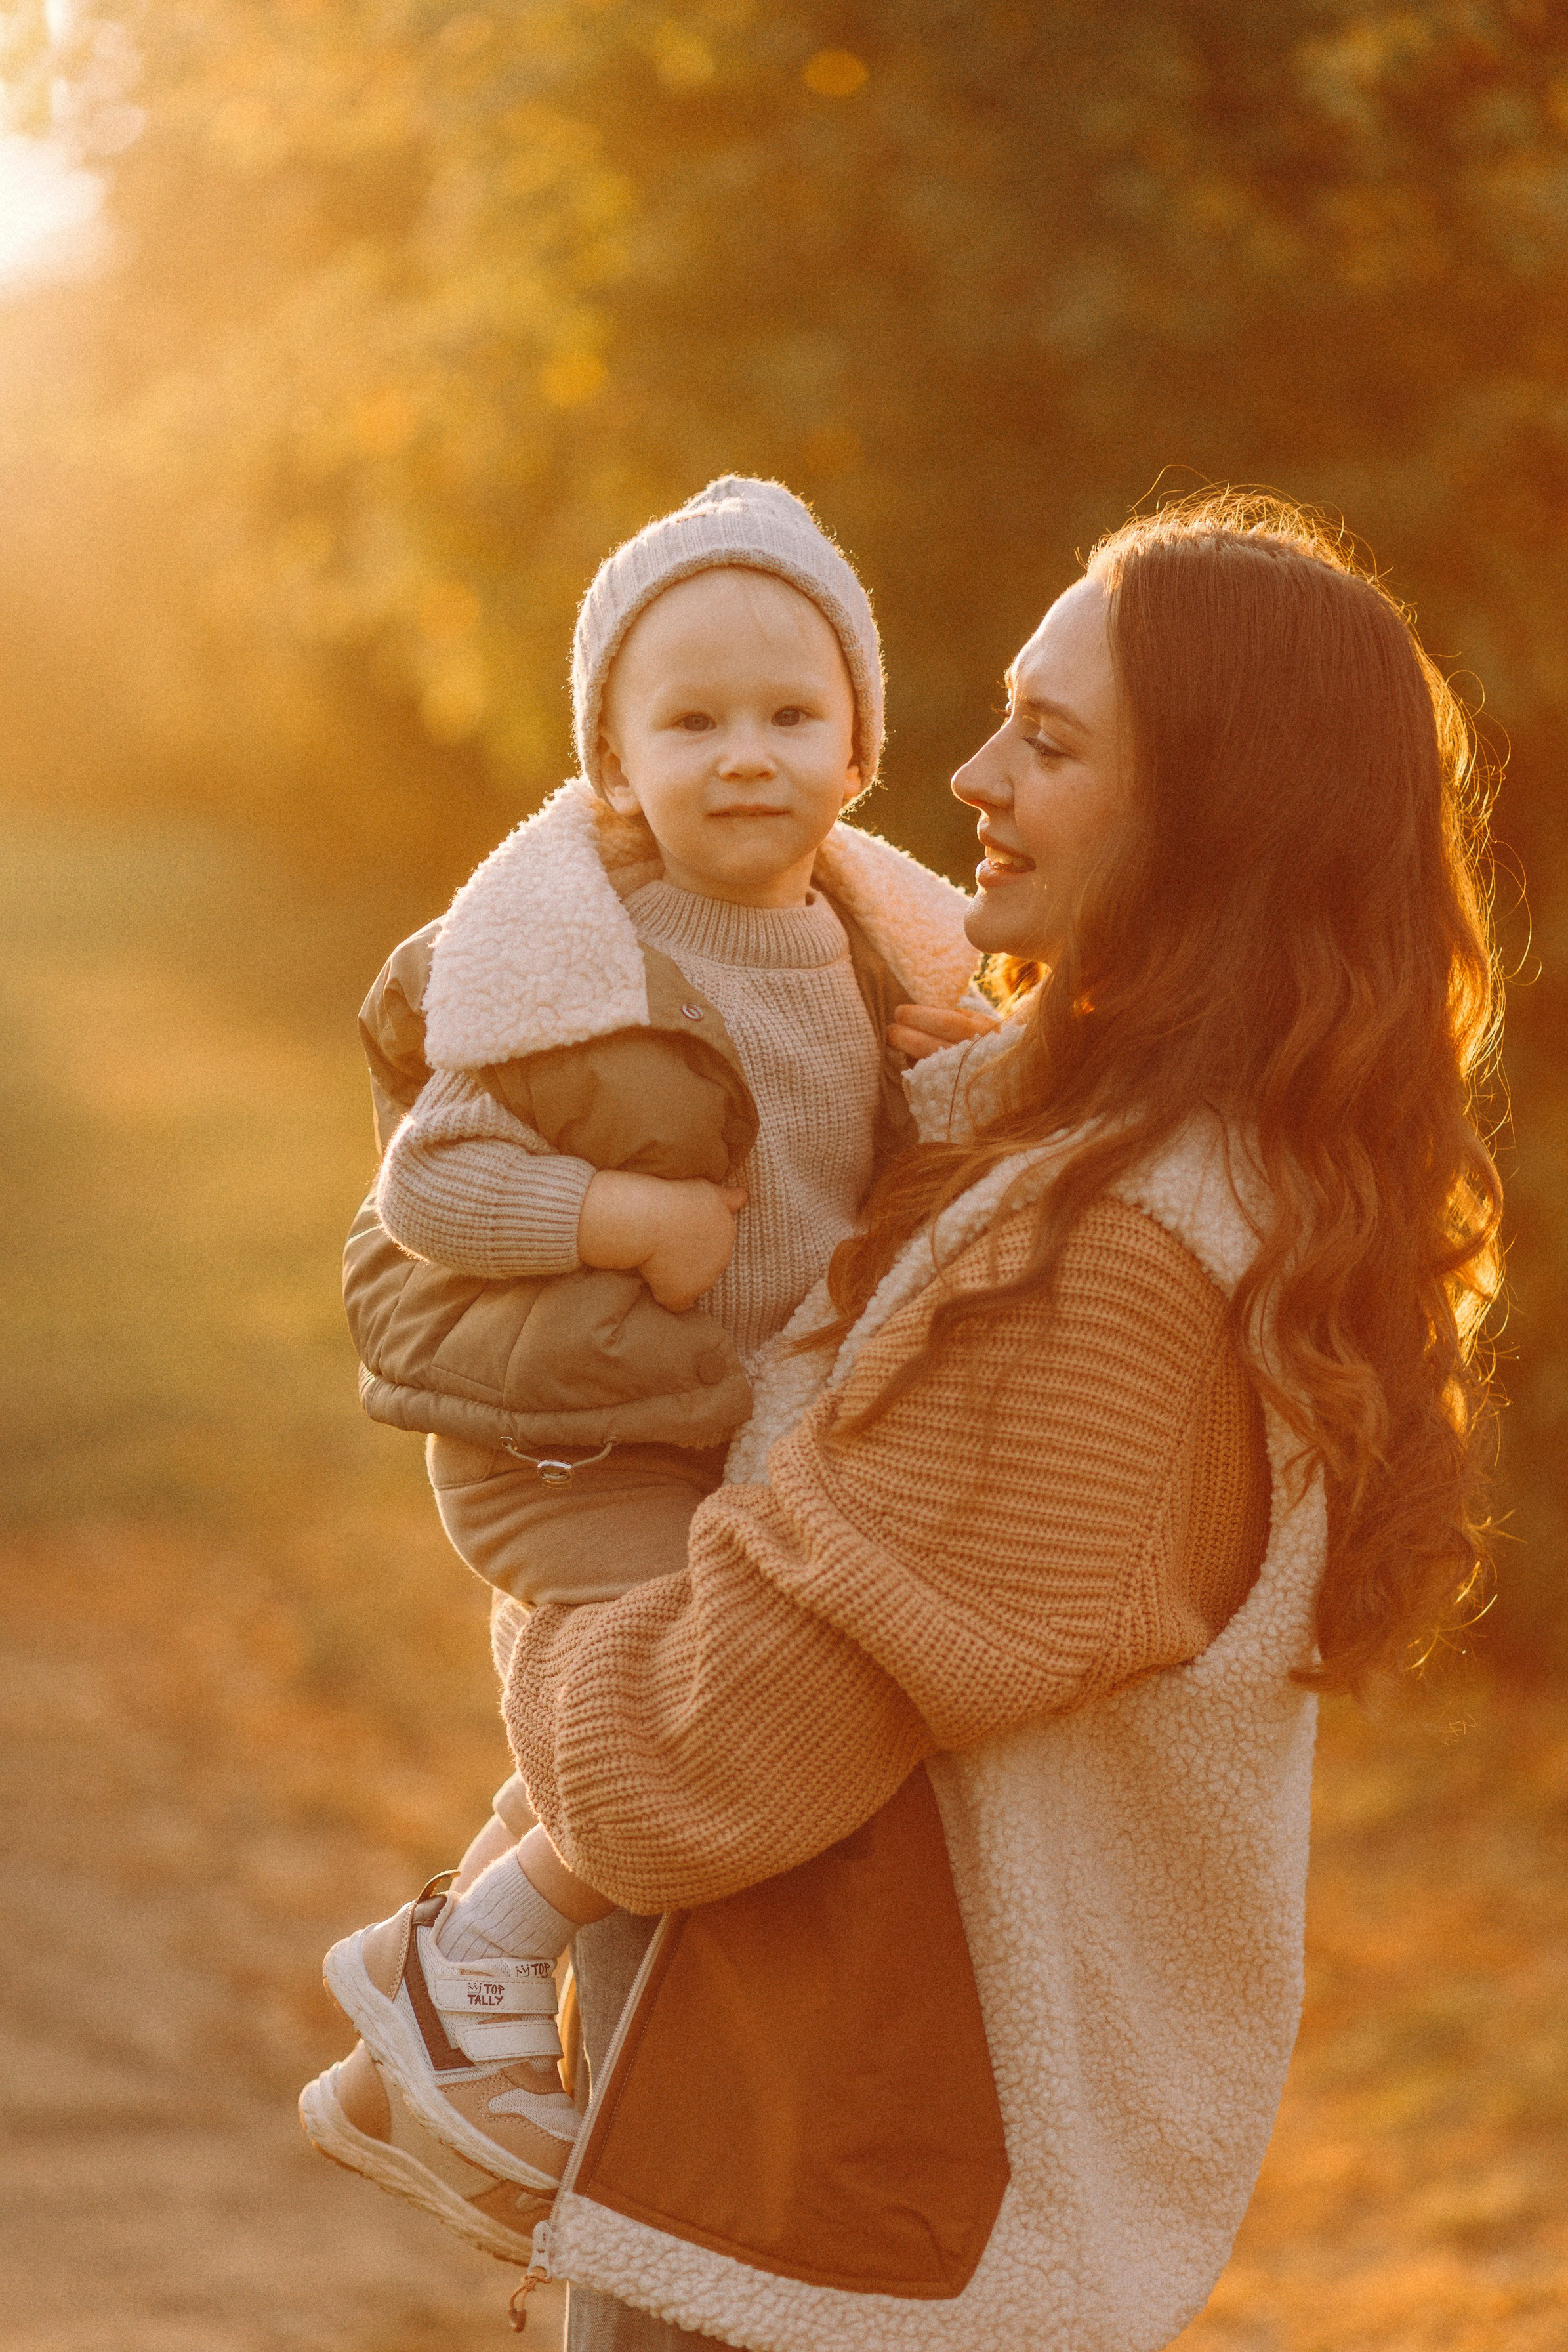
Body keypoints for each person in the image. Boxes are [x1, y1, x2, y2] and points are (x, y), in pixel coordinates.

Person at [493, 490, 1505, 2351]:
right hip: (822, 2198)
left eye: (1046, 742)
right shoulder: (1076, 1163)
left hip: (857, 2247)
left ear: (1217, 819)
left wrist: (534, 1502)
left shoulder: (1116, 1263)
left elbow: (667, 1780)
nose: (965, 774)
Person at [296, 476, 977, 2255]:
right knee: (712, 1706)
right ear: (614, 756)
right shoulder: (573, 951)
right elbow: (429, 1184)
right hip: (577, 1440)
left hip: (746, 1427)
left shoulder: (878, 949)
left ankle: (420, 2022)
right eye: (690, 721)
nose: (742, 754)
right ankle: (473, 1969)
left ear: (857, 752)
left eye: (786, 716)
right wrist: (610, 1212)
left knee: (717, 1702)